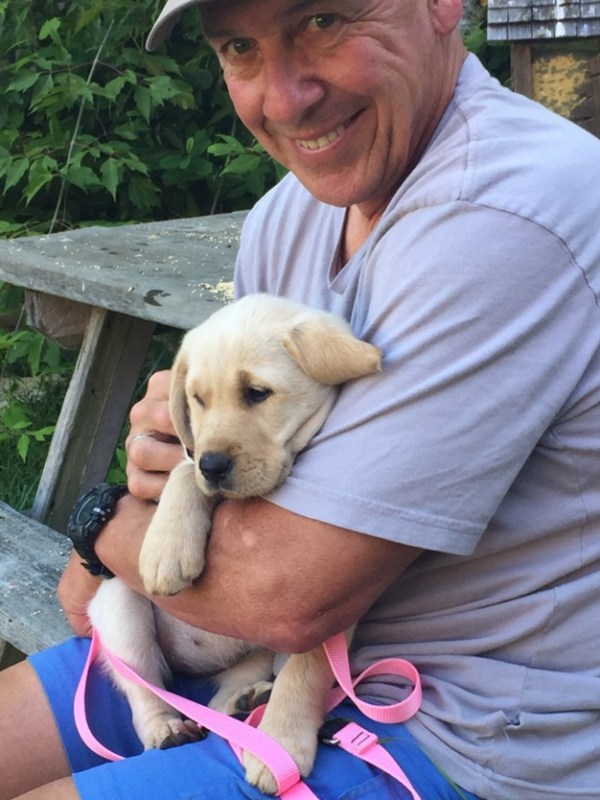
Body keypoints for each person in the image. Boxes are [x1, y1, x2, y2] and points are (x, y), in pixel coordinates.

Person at [2, 0, 600, 797]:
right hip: (236, 644)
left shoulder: (507, 212)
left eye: (323, 20)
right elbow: (223, 500)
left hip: (452, 723)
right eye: (238, 46)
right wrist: (142, 508)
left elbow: (287, 596)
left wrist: (100, 530)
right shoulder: (288, 215)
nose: (284, 99)